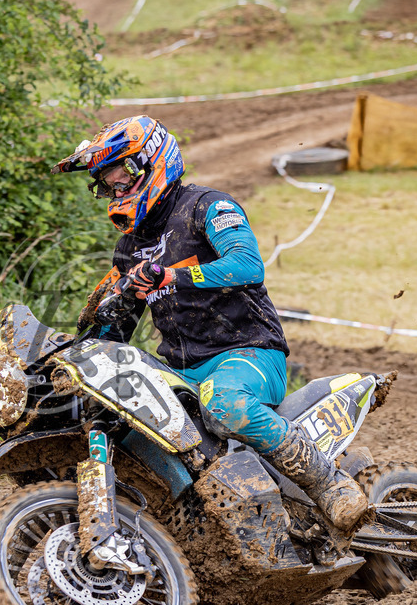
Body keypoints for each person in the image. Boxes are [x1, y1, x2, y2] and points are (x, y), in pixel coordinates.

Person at [59, 115, 368, 533]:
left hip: (249, 352)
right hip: (182, 371)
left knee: (223, 403)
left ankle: (330, 485)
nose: (116, 189)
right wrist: (81, 345)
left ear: (152, 161)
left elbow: (247, 264)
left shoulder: (207, 206)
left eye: (123, 177)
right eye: (107, 184)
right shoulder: (129, 249)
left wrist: (173, 276)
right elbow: (114, 330)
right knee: (116, 426)